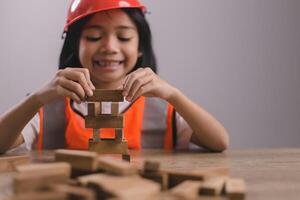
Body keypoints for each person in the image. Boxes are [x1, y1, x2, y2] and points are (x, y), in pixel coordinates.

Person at [0, 0, 229, 153]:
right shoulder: (49, 107)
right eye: (93, 37)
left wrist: (174, 95)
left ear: (141, 47)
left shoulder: (161, 108)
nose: (109, 47)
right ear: (74, 46)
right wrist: (37, 98)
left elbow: (219, 142)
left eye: (124, 37)